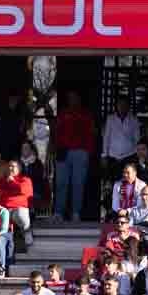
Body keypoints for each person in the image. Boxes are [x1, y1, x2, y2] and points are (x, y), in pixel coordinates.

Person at [53, 91, 94, 223]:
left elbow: (91, 134)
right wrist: (54, 149)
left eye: (75, 98)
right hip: (63, 152)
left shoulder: (86, 114)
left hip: (81, 152)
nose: (72, 100)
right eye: (70, 98)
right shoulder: (62, 114)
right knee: (61, 183)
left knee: (78, 184)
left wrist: (88, 152)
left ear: (79, 99)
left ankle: (76, 213)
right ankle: (58, 213)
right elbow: (56, 132)